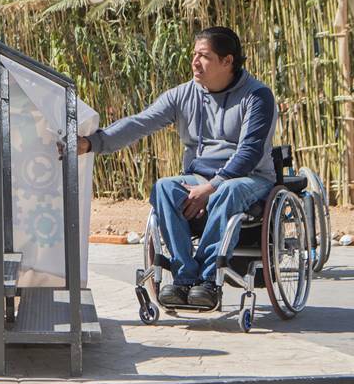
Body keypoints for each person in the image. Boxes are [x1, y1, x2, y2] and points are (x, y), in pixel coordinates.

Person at [74, 27, 276, 308]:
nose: (194, 61)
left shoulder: (257, 97)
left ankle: (208, 281)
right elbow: (140, 122)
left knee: (227, 191)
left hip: (248, 177)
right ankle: (184, 278)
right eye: (194, 54)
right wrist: (92, 143)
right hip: (198, 175)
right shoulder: (184, 95)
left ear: (227, 61)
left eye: (203, 56)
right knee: (164, 188)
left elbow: (250, 152)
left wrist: (210, 187)